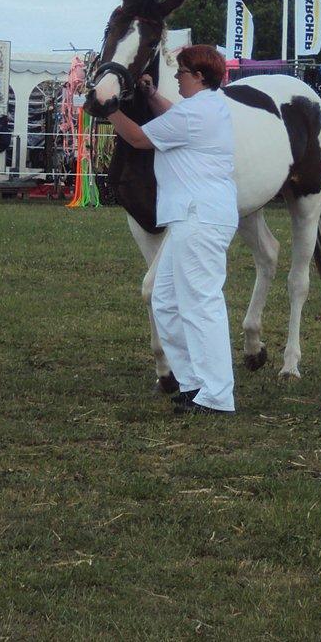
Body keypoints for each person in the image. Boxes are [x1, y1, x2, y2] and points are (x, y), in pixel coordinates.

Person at [105, 45, 238, 416]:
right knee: (166, 300)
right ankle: (194, 381)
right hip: (193, 217)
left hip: (199, 218)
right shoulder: (207, 106)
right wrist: (149, 95)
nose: (176, 76)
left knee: (200, 303)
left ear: (198, 76)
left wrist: (109, 108)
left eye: (181, 72)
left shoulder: (197, 111)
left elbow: (137, 138)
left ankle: (216, 395)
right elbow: (173, 117)